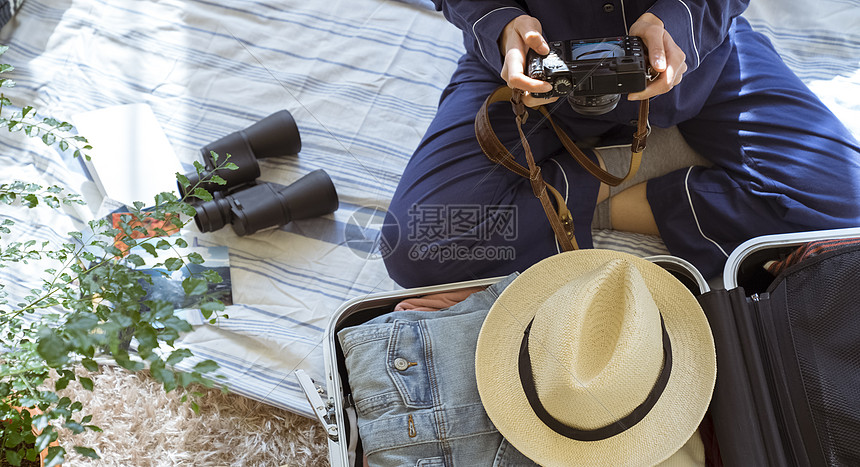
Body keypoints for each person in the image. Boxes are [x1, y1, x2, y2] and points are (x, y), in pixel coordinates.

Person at [380, 0, 860, 287]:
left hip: (696, 66)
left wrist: (679, 20)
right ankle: (624, 166)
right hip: (527, 77)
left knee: (846, 207)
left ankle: (603, 185)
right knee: (414, 243)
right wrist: (501, 21)